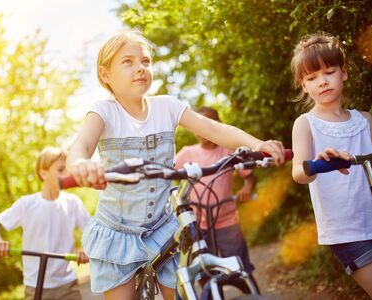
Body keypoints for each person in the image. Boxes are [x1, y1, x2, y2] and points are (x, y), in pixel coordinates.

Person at [66, 30, 286, 300]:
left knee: (181, 292)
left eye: (146, 61)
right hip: (118, 234)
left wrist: (256, 144)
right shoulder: (103, 112)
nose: (140, 68)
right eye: (128, 62)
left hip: (161, 227)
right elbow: (82, 145)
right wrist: (79, 164)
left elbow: (213, 129)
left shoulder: (167, 106)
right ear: (105, 74)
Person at [290, 32, 372, 297]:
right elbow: (298, 174)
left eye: (329, 72)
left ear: (344, 73)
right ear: (304, 86)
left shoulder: (366, 120)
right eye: (312, 78)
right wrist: (315, 164)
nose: (322, 82)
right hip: (346, 230)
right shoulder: (306, 124)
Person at [0, 147, 90, 300]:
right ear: (43, 173)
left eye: (67, 170)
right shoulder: (27, 204)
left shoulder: (72, 202)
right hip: (36, 288)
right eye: (61, 170)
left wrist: (85, 248)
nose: (66, 175)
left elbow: (91, 231)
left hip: (67, 286)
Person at [175, 106, 256, 276]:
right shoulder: (187, 153)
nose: (202, 131)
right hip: (198, 224)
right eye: (197, 127)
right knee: (204, 271)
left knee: (240, 268)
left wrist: (247, 188)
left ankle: (250, 291)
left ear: (218, 124)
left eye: (208, 125)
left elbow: (248, 175)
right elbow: (168, 175)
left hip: (227, 221)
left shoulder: (228, 150)